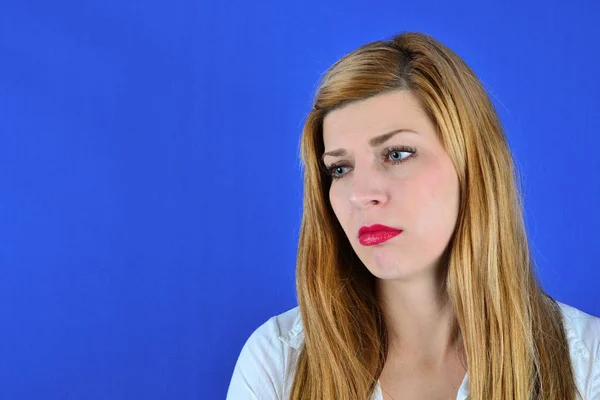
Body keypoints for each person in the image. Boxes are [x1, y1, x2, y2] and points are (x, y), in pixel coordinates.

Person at [225, 31, 600, 400]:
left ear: (472, 165)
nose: (360, 194)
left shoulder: (587, 363)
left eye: (397, 154)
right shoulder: (277, 361)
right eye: (340, 168)